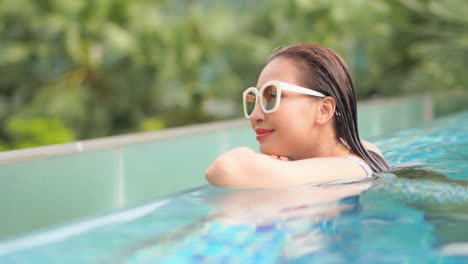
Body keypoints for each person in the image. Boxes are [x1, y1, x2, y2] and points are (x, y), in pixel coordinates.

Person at [206, 43, 390, 188]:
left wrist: (275, 167)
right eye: (254, 99)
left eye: (273, 96)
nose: (255, 116)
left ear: (323, 110)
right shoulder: (364, 151)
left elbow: (225, 169)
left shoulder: (349, 170)